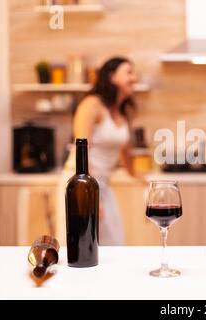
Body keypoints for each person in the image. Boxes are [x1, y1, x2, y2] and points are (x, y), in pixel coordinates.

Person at [58, 57, 139, 246]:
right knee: (80, 244)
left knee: (114, 243)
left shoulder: (122, 113)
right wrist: (90, 196)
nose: (134, 78)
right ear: (112, 77)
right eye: (129, 72)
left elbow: (126, 152)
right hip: (80, 185)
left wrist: (137, 175)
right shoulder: (91, 104)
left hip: (103, 186)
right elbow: (81, 149)